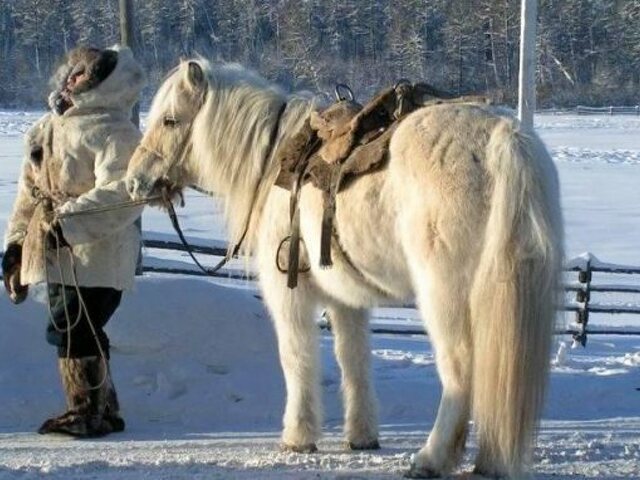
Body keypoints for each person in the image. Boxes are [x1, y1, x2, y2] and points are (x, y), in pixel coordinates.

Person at [1, 45, 145, 437]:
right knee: (78, 326)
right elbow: (29, 193)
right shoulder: (47, 128)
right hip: (55, 248)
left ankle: (84, 410)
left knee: (73, 326)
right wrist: (16, 245)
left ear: (100, 82)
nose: (72, 77)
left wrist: (67, 225)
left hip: (99, 253)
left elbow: (123, 192)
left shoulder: (115, 132)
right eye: (72, 70)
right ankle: (103, 409)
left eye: (82, 73)